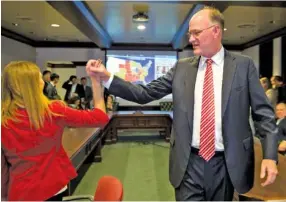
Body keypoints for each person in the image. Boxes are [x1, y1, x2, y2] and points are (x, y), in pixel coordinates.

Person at [88, 6, 278, 201]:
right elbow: (144, 93)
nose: (191, 38)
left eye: (196, 33)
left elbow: (263, 114)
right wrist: (107, 78)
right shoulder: (181, 68)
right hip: (188, 163)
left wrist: (270, 156)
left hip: (227, 164)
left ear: (216, 31)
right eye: (190, 33)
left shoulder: (243, 66)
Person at [1, 60, 108, 201]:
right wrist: (95, 80)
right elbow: (100, 118)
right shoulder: (54, 111)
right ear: (35, 84)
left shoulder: (4, 120)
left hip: (19, 193)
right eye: (40, 78)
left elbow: (3, 170)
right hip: (53, 188)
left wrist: (4, 195)